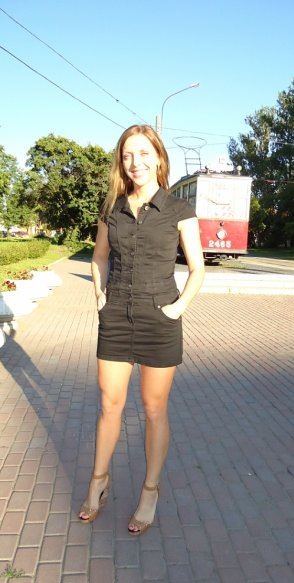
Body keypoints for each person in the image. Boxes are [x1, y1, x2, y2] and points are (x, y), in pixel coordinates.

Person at [79, 124, 205, 535]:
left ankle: (150, 490)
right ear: (121, 161)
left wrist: (177, 309)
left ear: (159, 158)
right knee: (109, 405)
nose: (136, 162)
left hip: (159, 319)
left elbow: (198, 268)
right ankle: (98, 482)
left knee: (153, 410)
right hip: (116, 316)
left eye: (144, 153)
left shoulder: (179, 210)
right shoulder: (112, 209)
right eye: (128, 155)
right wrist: (100, 295)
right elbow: (99, 258)